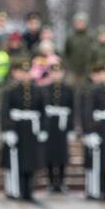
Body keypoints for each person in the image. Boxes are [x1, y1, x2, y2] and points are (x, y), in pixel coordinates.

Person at [0, 58, 46, 201]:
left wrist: (43, 129)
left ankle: (28, 190)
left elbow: (42, 110)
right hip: (16, 128)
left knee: (30, 161)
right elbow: (5, 111)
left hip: (32, 129)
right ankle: (14, 189)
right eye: (21, 72)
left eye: (27, 72)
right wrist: (7, 130)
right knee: (15, 161)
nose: (25, 75)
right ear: (15, 73)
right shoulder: (10, 90)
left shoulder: (37, 90)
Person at [80, 62, 105, 201]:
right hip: (99, 129)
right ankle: (97, 189)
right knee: (98, 161)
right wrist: (89, 132)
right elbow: (88, 112)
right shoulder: (93, 90)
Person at [37, 55, 73, 194]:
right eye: (54, 72)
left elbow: (71, 109)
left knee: (62, 154)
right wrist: (42, 127)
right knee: (50, 154)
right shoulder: (45, 89)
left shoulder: (68, 89)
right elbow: (41, 108)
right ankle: (51, 181)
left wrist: (70, 129)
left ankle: (62, 181)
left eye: (59, 72)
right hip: (50, 123)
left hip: (62, 124)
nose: (57, 74)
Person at [63, 13, 95, 85]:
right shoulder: (70, 38)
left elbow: (94, 54)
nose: (80, 24)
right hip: (72, 71)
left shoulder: (90, 38)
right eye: (78, 22)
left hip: (86, 71)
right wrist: (67, 67)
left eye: (82, 22)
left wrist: (91, 68)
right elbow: (65, 54)